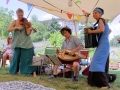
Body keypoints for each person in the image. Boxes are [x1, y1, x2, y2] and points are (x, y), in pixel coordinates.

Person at [8, 8, 36, 77]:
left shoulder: (25, 22)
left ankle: (30, 72)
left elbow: (28, 34)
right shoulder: (14, 22)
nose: (20, 17)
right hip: (17, 43)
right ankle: (15, 72)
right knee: (15, 58)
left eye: (22, 15)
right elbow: (9, 29)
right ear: (17, 14)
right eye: (19, 15)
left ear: (23, 14)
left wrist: (30, 30)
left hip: (26, 43)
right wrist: (16, 27)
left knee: (28, 58)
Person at [86, 7, 110, 89]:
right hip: (102, 43)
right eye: (93, 13)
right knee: (95, 61)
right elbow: (109, 30)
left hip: (103, 44)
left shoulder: (101, 20)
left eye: (96, 12)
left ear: (100, 14)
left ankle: (104, 84)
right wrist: (104, 36)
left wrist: (91, 32)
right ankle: (96, 82)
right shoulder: (100, 22)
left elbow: (102, 30)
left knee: (97, 62)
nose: (94, 14)